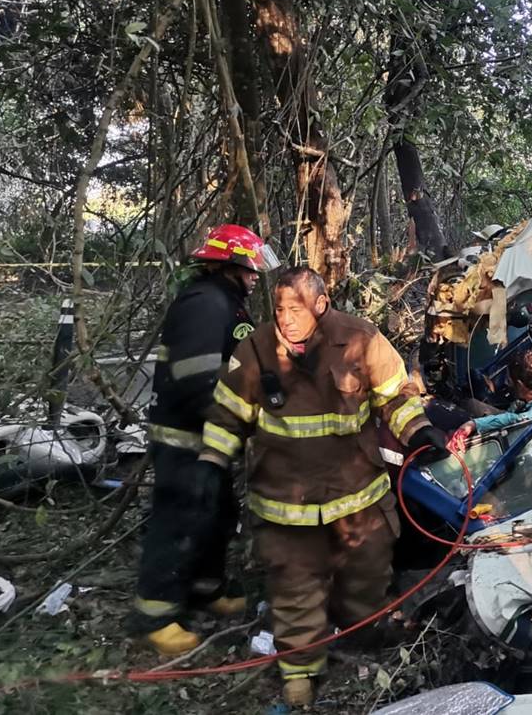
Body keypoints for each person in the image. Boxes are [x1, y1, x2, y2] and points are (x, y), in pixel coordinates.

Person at [197, 265, 448, 706]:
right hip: (285, 502)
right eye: (278, 308)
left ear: (321, 304)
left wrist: (421, 432)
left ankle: (361, 633)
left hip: (357, 498)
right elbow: (227, 414)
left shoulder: (361, 339)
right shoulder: (255, 349)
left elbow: (395, 397)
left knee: (366, 579)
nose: (286, 317)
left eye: (296, 308)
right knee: (295, 587)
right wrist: (212, 461)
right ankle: (300, 670)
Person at [132, 223, 278, 656]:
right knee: (180, 520)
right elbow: (199, 381)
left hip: (209, 436)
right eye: (251, 269)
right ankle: (155, 615)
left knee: (215, 514)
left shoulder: (224, 302)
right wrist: (241, 417)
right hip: (186, 438)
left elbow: (238, 365)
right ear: (231, 265)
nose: (256, 277)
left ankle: (205, 590)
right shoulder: (204, 304)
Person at [446, 346, 532, 453]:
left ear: (520, 385)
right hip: (512, 417)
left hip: (522, 442)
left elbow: (515, 420)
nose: (507, 384)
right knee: (470, 404)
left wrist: (473, 424)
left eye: (509, 381)